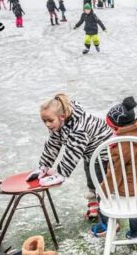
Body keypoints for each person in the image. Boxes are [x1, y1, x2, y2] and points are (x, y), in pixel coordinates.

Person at [29, 94, 113, 222]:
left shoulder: (78, 128)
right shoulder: (59, 123)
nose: (47, 124)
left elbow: (72, 152)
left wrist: (60, 174)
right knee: (91, 178)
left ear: (62, 117)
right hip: (90, 154)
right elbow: (53, 144)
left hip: (105, 154)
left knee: (99, 184)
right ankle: (94, 205)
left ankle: (109, 219)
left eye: (50, 120)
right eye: (44, 121)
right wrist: (44, 166)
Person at [91, 97, 137, 238]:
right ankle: (136, 231)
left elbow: (114, 176)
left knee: (102, 195)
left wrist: (103, 191)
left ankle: (109, 225)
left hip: (130, 190)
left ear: (117, 127)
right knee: (136, 201)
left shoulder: (121, 146)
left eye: (111, 128)